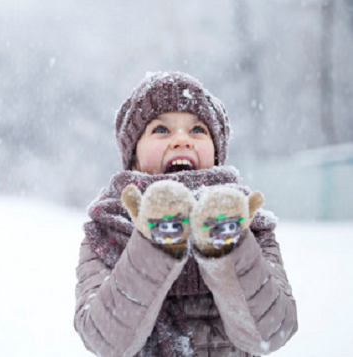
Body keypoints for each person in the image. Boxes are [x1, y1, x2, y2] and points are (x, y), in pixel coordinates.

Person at [74, 72, 297, 357]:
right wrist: (156, 239)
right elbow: (104, 340)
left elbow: (272, 332)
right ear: (133, 157)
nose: (182, 140)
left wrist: (228, 243)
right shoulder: (108, 230)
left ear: (217, 154)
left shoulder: (249, 225)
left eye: (197, 130)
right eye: (161, 130)